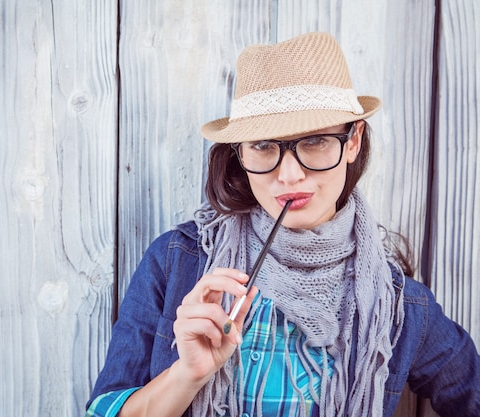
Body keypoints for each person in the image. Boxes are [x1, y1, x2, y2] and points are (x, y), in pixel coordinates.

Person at [85, 32, 480, 417]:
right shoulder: (176, 261)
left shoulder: (396, 306)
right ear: (240, 153)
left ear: (353, 141)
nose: (289, 176)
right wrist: (186, 375)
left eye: (314, 141)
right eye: (263, 145)